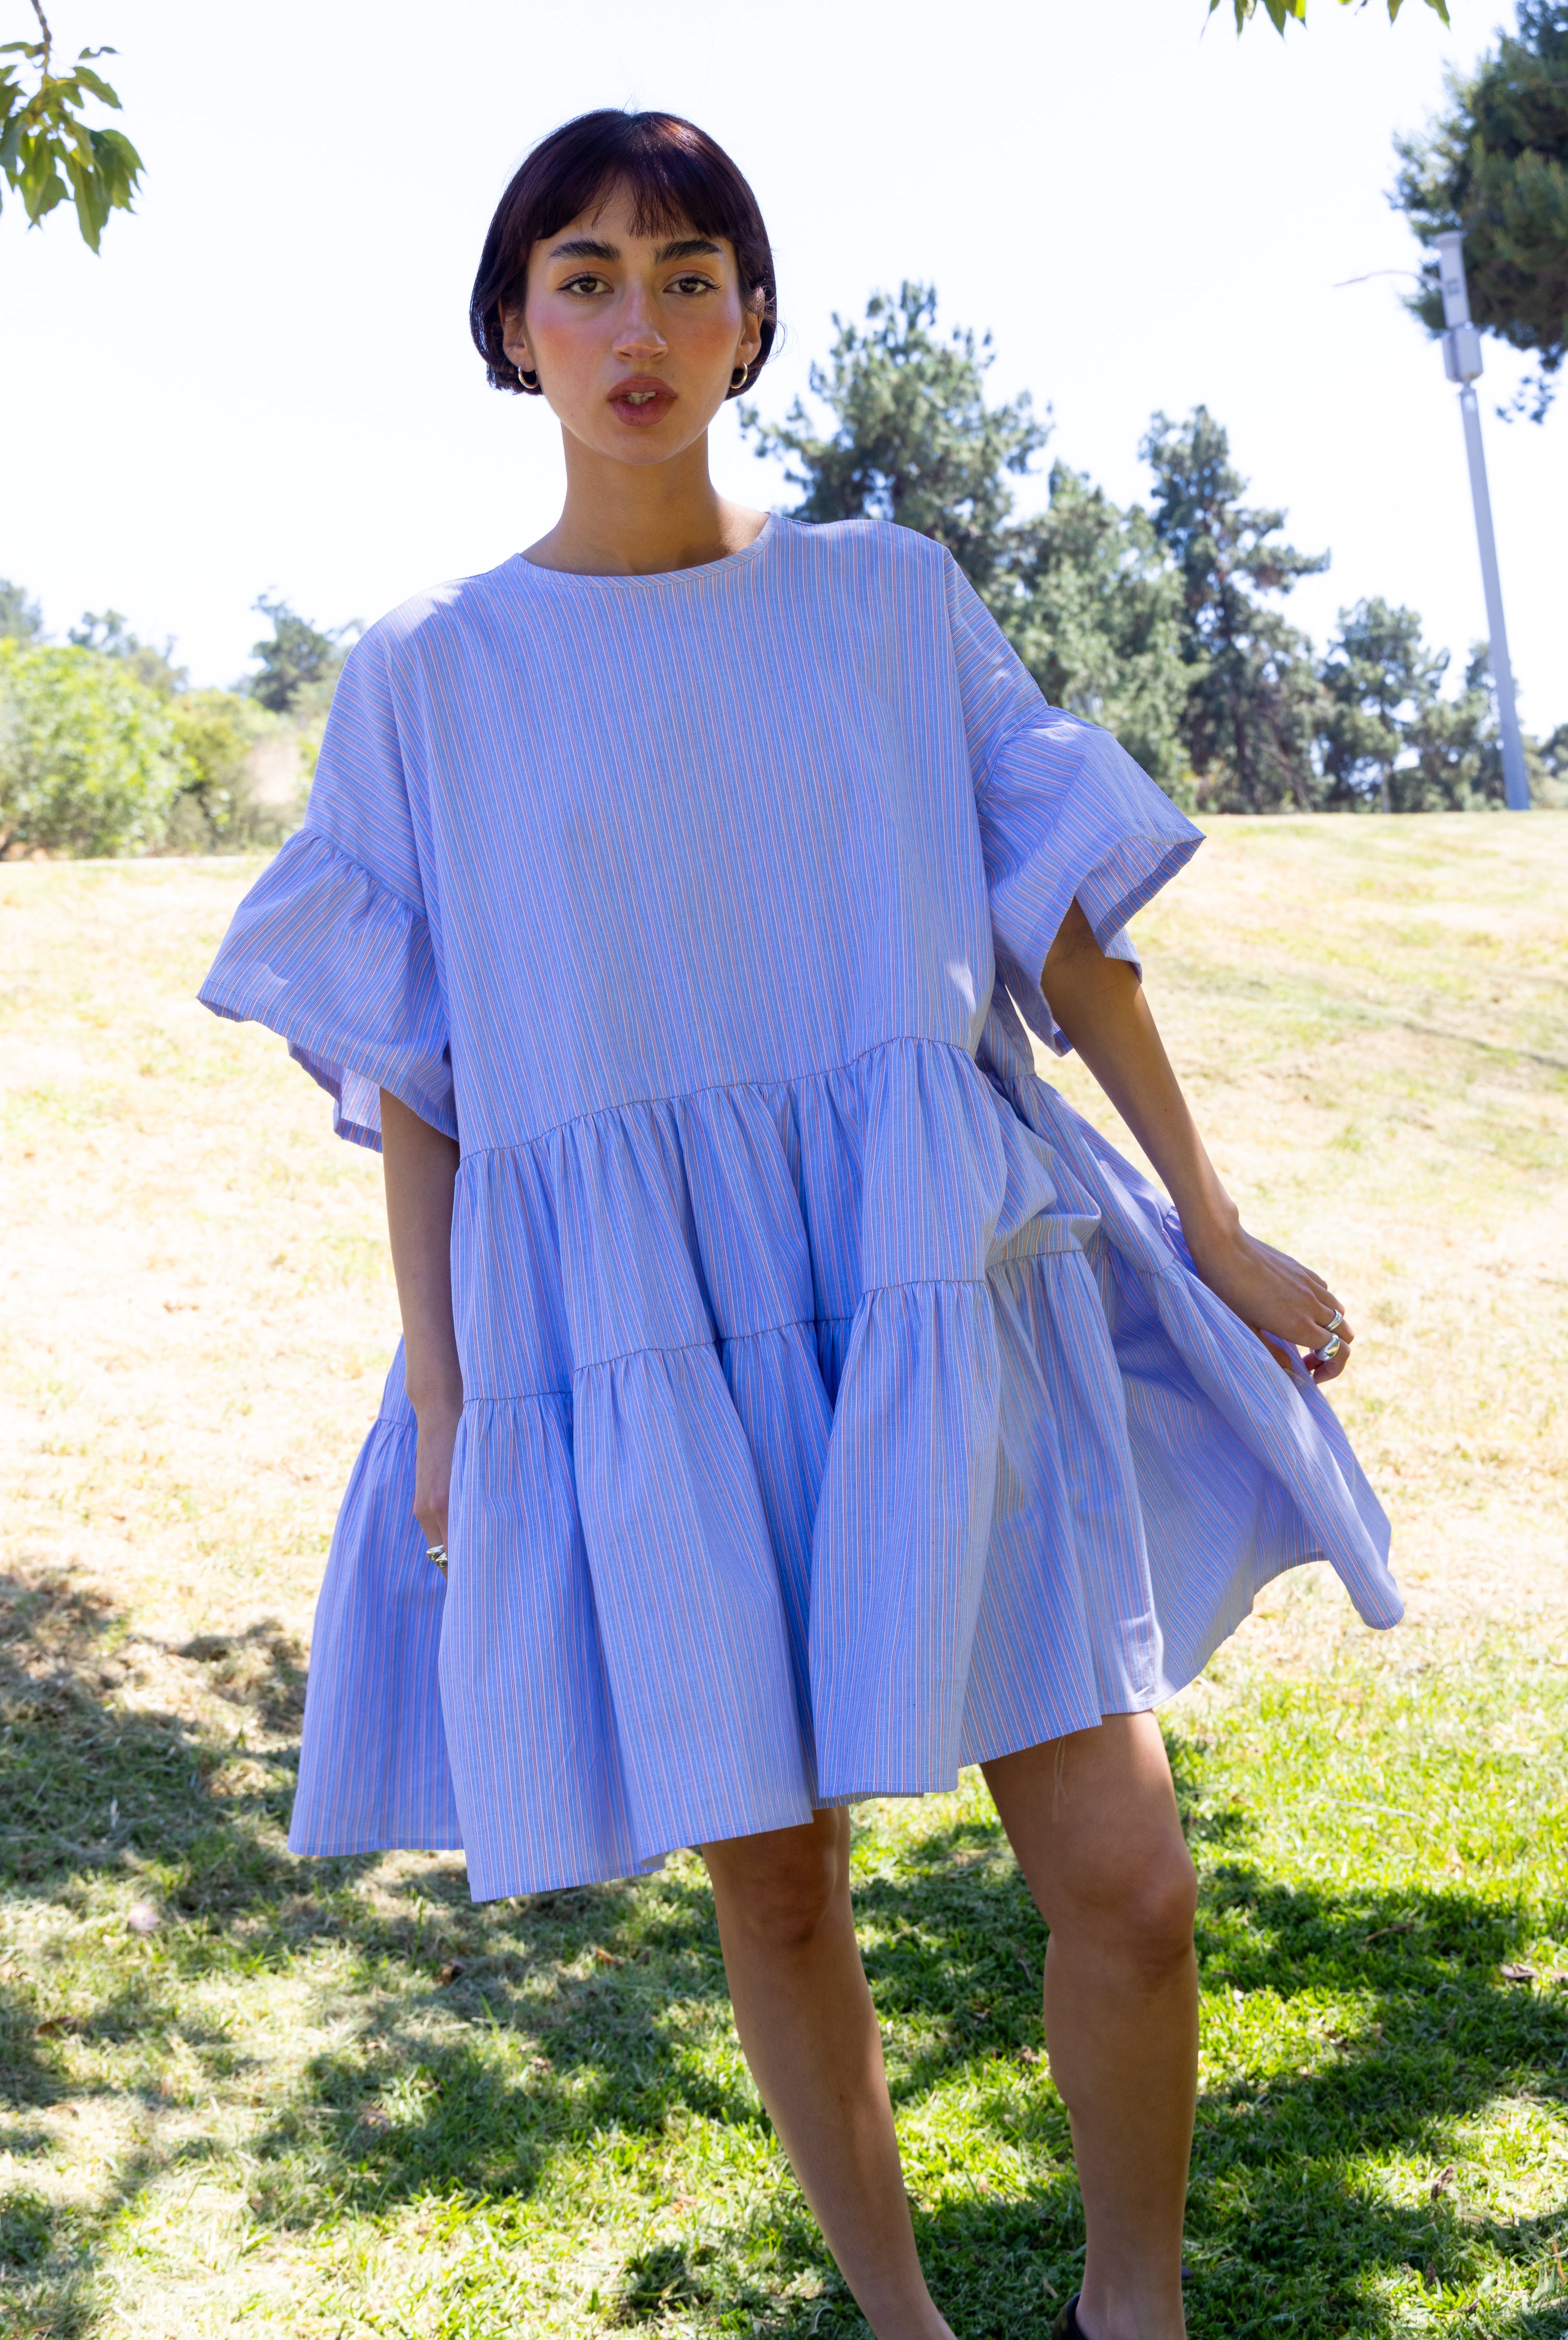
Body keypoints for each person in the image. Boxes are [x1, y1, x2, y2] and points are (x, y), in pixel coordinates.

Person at [199, 108, 1400, 2340]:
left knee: (1131, 1879)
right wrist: (450, 1405)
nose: (637, 324)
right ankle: (903, 2325)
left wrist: (1215, 1224)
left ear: (753, 322)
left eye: (688, 276)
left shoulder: (884, 596)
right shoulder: (430, 676)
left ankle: (1132, 2313)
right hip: (634, 1330)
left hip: (938, 1279)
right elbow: (422, 1081)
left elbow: (1070, 944)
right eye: (584, 278)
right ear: (512, 327)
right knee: (779, 1888)